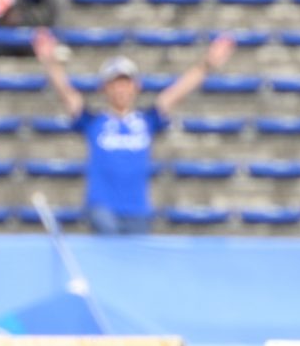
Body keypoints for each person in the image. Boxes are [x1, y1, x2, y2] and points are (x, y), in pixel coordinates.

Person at [31, 28, 236, 234]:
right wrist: (50, 63)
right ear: (104, 88)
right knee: (107, 237)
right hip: (103, 208)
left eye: (125, 83)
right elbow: (67, 94)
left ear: (136, 86)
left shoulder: (146, 121)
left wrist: (207, 65)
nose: (121, 89)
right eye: (115, 83)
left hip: (138, 211)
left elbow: (176, 93)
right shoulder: (94, 122)